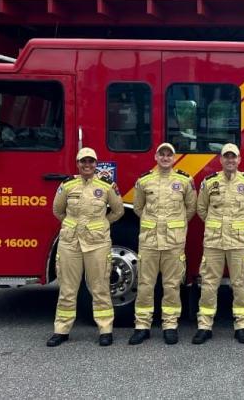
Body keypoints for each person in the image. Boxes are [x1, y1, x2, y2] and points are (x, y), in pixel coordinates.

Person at [46, 147, 124, 347]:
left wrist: (101, 225)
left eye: (91, 161)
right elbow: (57, 210)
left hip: (97, 244)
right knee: (67, 288)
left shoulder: (107, 186)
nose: (87, 165)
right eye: (83, 162)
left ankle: (105, 329)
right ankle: (61, 330)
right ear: (78, 164)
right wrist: (72, 225)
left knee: (100, 288)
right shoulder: (68, 185)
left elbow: (118, 211)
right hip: (70, 243)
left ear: (96, 164)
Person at [193, 143, 244, 344]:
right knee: (209, 283)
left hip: (238, 242)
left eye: (234, 157)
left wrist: (240, 226)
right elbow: (201, 209)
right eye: (227, 157)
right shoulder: (210, 182)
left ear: (239, 160)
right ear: (221, 160)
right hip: (214, 241)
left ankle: (242, 325)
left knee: (239, 283)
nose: (230, 160)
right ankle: (205, 326)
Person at [128, 142, 197, 345]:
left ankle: (170, 325)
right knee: (145, 285)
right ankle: (142, 326)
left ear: (174, 158)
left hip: (173, 243)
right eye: (162, 154)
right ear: (156, 157)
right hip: (149, 242)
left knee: (172, 285)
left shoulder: (185, 181)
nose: (165, 158)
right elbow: (138, 208)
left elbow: (191, 209)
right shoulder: (144, 181)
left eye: (169, 155)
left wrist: (176, 227)